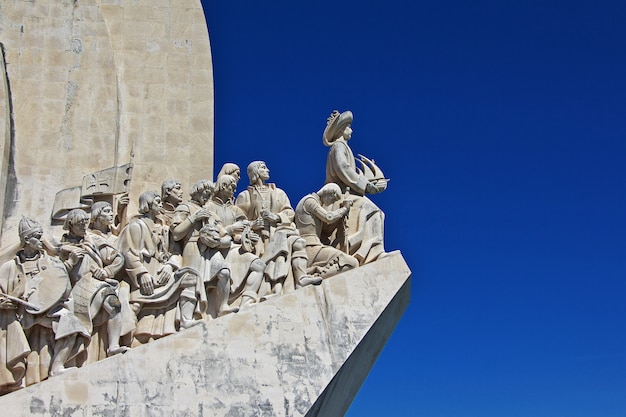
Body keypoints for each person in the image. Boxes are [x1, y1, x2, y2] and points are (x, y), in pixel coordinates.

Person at [0, 218, 80, 393]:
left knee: (70, 322)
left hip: (45, 311)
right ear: (27, 240)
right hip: (20, 314)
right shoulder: (10, 267)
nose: (41, 240)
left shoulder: (51, 262)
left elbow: (61, 287)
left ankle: (57, 366)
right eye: (37, 237)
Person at [117, 191, 204, 345]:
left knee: (191, 277)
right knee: (134, 307)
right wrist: (142, 274)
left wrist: (170, 266)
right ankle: (122, 341)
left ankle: (186, 321)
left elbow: (176, 252)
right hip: (144, 278)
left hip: (163, 274)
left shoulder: (164, 228)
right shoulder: (136, 226)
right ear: (148, 204)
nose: (160, 204)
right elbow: (128, 253)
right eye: (156, 201)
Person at [236, 161, 320, 297]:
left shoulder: (278, 192)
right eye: (263, 168)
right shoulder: (244, 196)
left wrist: (276, 217)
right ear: (255, 172)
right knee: (267, 263)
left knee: (297, 243)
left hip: (278, 232)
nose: (268, 170)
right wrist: (253, 224)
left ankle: (300, 278)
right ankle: (268, 291)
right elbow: (238, 221)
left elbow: (289, 212)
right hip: (259, 239)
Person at [57, 209, 129, 362]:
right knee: (74, 328)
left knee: (114, 305)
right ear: (71, 225)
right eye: (80, 225)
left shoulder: (92, 240)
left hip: (96, 285)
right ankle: (60, 364)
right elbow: (56, 274)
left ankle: (113, 346)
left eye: (86, 224)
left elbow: (118, 258)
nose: (84, 228)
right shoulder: (61, 246)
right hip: (75, 291)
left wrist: (106, 271)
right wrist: (70, 263)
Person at [323, 110, 388, 265]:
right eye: (348, 127)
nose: (351, 130)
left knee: (377, 213)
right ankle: (369, 253)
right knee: (374, 211)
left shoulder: (343, 147)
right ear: (341, 130)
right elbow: (343, 168)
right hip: (341, 196)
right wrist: (366, 185)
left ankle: (370, 251)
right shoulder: (338, 146)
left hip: (350, 193)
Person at [170, 179, 237, 318]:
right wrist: (194, 218)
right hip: (192, 246)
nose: (207, 197)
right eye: (205, 193)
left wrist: (217, 242)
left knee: (224, 272)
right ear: (197, 191)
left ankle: (223, 306)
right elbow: (176, 233)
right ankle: (187, 318)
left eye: (209, 195)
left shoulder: (211, 213)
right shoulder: (185, 208)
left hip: (211, 249)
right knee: (192, 281)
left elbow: (225, 235)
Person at [205, 175, 266, 308]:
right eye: (231, 186)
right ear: (223, 186)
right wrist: (231, 229)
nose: (234, 189)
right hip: (214, 249)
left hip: (232, 248)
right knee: (223, 273)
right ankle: (222, 306)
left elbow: (240, 234)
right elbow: (208, 232)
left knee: (259, 265)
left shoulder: (235, 210)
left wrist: (248, 237)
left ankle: (247, 302)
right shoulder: (208, 207)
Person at [295, 183, 359, 278]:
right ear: (329, 193)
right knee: (350, 262)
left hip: (314, 245)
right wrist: (345, 209)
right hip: (310, 247)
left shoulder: (313, 202)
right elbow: (328, 217)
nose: (332, 203)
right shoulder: (309, 201)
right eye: (333, 199)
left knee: (351, 262)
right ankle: (316, 278)